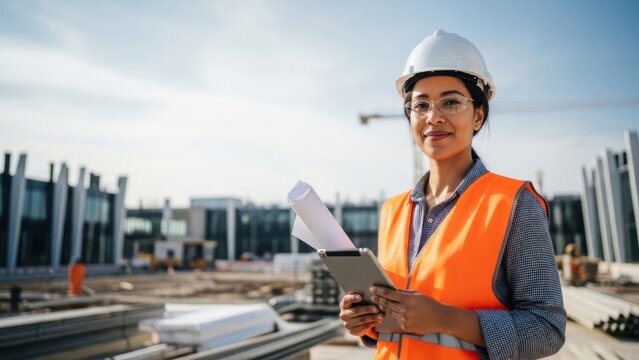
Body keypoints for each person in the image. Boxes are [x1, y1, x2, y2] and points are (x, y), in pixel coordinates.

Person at [338, 30, 566, 359]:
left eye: (450, 101)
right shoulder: (394, 210)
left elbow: (547, 329)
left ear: (478, 115)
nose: (434, 116)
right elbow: (398, 327)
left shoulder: (513, 204)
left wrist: (448, 319)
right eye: (421, 105)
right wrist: (367, 321)